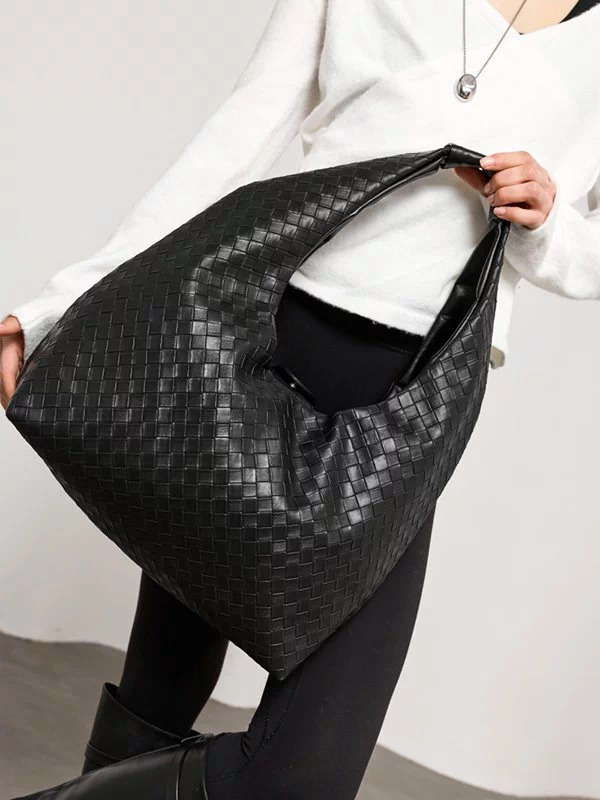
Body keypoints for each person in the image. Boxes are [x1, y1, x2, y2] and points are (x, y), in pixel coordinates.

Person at [4, 1, 600, 798]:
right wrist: (60, 306)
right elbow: (238, 135)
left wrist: (550, 224)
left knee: (306, 772)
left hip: (412, 399)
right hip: (252, 346)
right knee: (163, 682)